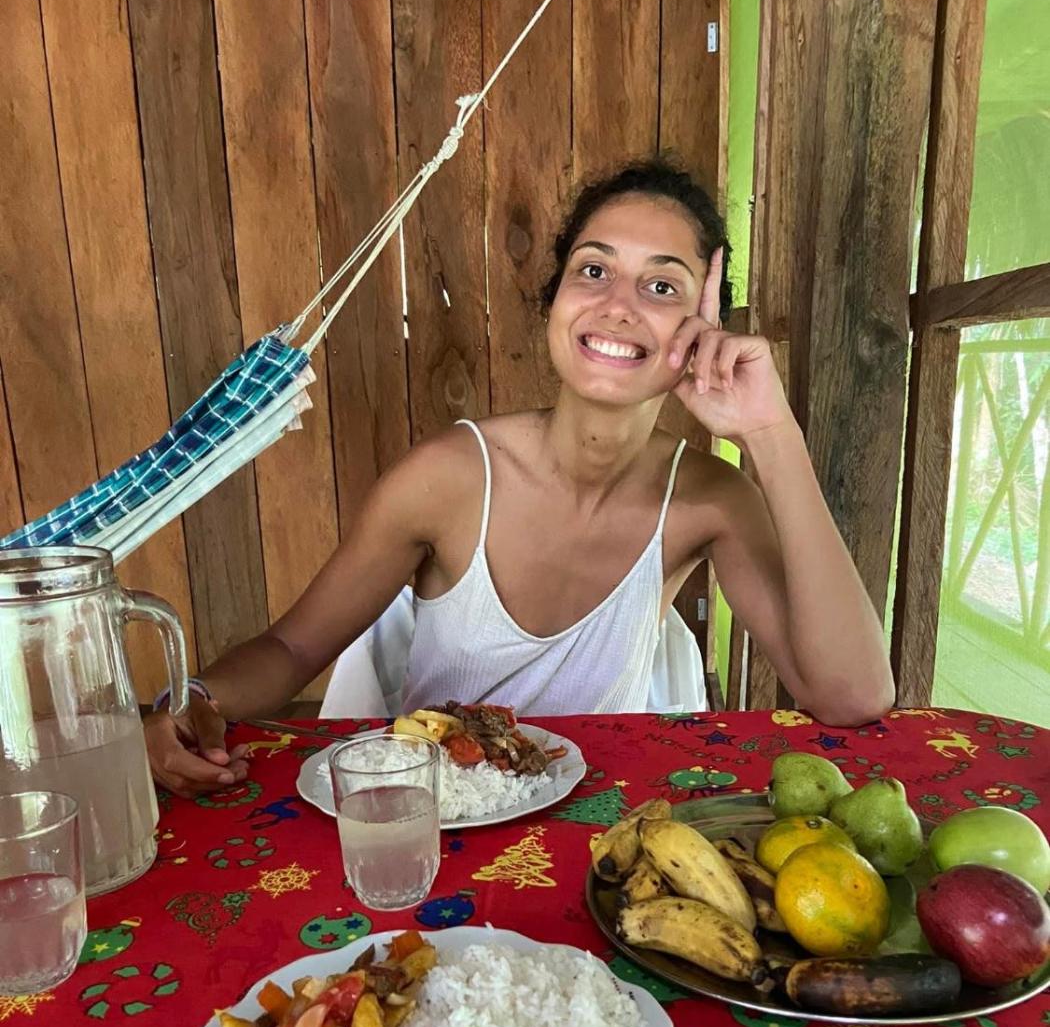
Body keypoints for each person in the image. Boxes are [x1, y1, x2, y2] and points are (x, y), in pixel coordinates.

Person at [146, 158, 894, 797]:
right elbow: (290, 651)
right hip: (436, 831)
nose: (618, 307)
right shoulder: (447, 479)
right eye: (594, 270)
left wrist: (770, 432)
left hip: (600, 846)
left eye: (662, 287)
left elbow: (853, 695)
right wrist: (194, 700)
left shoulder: (708, 501)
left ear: (704, 325)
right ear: (555, 299)